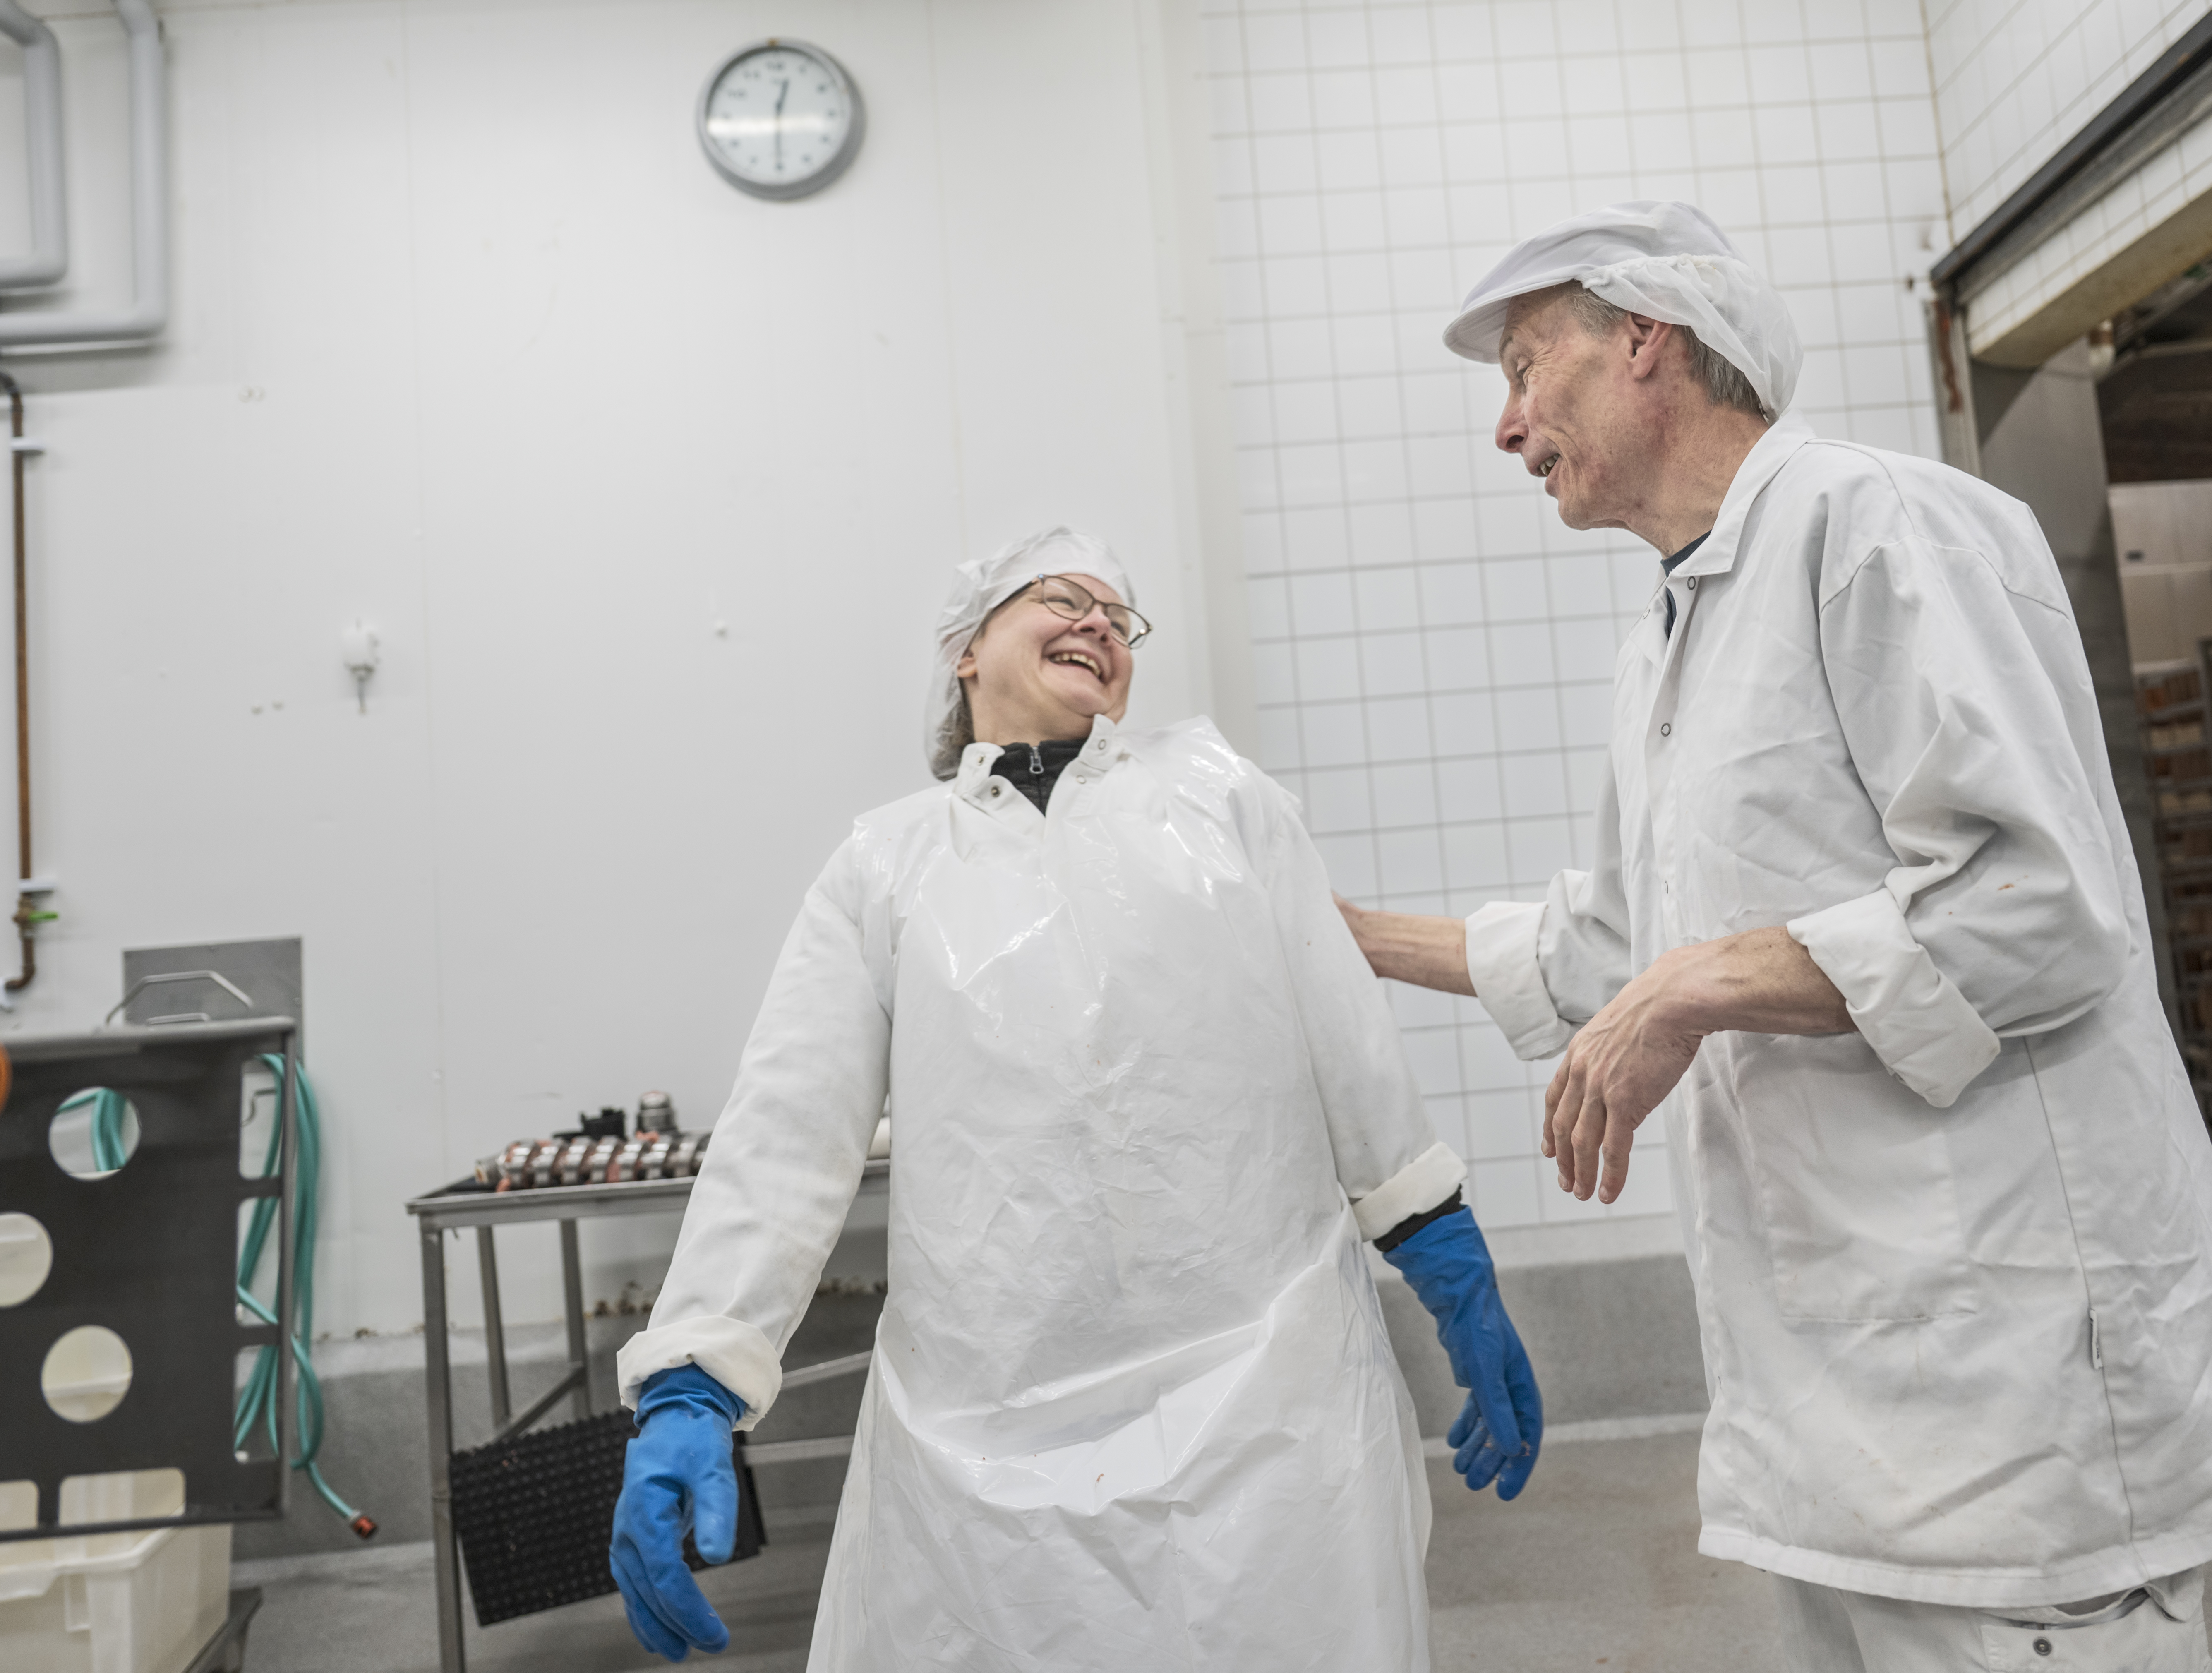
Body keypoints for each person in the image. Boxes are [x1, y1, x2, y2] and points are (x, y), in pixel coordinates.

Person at [1339, 204, 2212, 1671]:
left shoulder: (1877, 523)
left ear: (1646, 340)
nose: (1509, 425)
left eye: (1528, 368)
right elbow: (1609, 945)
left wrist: (1696, 985)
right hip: (1839, 1407)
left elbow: (2042, 903)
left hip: (2011, 1380)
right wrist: (1339, 938)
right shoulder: (1666, 642)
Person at [607, 528, 1540, 1671]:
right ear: (965, 650)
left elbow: (1346, 1033)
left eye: (1121, 618)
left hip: (1272, 1403)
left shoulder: (1222, 800)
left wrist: (1440, 1245)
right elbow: (787, 1130)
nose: (1101, 623)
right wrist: (696, 1373)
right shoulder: (883, 868)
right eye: (1062, 598)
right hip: (984, 1437)